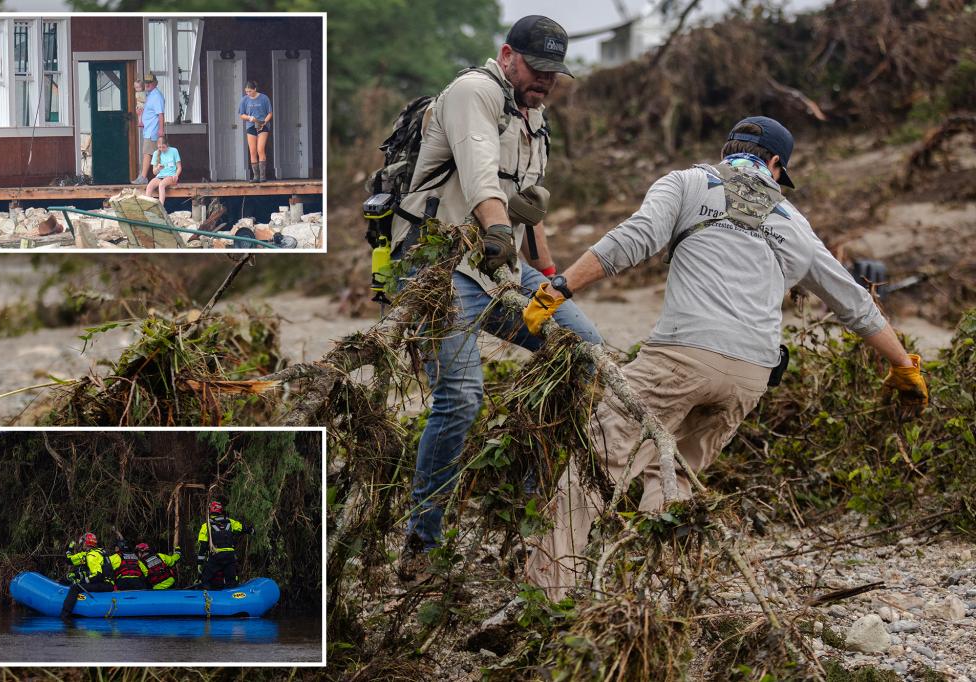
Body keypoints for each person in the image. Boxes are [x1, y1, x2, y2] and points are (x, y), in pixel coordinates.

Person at [522, 116, 930, 600]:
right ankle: (654, 600)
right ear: (775, 165)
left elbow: (635, 238)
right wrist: (903, 365)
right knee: (675, 475)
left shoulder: (687, 182)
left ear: (725, 150)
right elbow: (854, 303)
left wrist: (561, 287)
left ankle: (544, 598)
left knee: (595, 464)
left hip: (680, 358)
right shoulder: (795, 222)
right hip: (749, 376)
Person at [390, 15, 603, 580]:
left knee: (582, 351)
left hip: (499, 265)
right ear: (507, 55)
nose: (546, 81)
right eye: (537, 68)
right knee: (460, 396)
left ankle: (524, 508)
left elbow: (528, 204)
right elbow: (482, 177)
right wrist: (498, 232)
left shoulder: (534, 114)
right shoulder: (473, 93)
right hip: (437, 265)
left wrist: (548, 276)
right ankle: (422, 543)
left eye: (554, 72)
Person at [196, 501, 254, 589]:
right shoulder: (230, 522)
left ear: (210, 510)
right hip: (230, 556)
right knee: (231, 582)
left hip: (216, 556)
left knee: (205, 580)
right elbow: (243, 528)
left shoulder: (206, 525)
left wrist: (200, 563)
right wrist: (251, 530)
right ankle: (233, 594)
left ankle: (206, 594)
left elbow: (203, 546)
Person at [60, 532, 115, 618]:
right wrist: (78, 575)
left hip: (104, 585)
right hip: (108, 583)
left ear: (86, 543)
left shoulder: (91, 555)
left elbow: (97, 575)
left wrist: (81, 581)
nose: (82, 545)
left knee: (75, 587)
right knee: (76, 581)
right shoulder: (100, 552)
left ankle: (64, 615)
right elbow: (70, 560)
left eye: (83, 543)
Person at [132, 73, 165, 185]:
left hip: (153, 131)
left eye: (150, 82)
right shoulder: (149, 95)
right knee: (157, 154)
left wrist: (161, 130)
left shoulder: (157, 96)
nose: (147, 84)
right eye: (146, 82)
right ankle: (161, 176)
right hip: (148, 130)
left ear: (155, 83)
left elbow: (160, 114)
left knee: (147, 153)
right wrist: (140, 116)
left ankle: (143, 177)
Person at [238, 80, 273, 183]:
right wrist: (249, 118)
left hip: (262, 125)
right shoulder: (244, 100)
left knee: (260, 149)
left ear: (255, 89)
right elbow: (241, 114)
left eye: (250, 91)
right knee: (252, 151)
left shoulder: (264, 98)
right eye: (246, 91)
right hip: (251, 126)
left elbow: (270, 113)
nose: (248, 93)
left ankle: (262, 176)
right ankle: (255, 176)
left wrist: (264, 122)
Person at [145, 136, 182, 206]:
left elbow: (179, 167)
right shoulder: (156, 153)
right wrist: (158, 168)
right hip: (160, 176)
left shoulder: (174, 151)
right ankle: (147, 206)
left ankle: (160, 206)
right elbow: (154, 172)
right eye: (160, 147)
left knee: (161, 185)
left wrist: (176, 175)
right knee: (149, 186)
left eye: (163, 147)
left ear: (167, 145)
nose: (161, 149)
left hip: (171, 176)